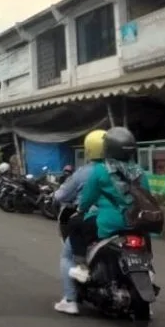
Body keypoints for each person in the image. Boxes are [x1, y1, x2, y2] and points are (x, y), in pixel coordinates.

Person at [67, 126, 149, 284]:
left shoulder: (100, 170)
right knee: (143, 238)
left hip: (110, 222)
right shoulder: (139, 171)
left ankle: (82, 268)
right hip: (138, 221)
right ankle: (148, 269)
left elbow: (88, 198)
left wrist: (80, 210)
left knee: (74, 223)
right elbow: (147, 196)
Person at [51, 129, 106, 316]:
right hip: (121, 221)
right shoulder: (121, 171)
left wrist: (56, 195)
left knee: (67, 255)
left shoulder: (84, 173)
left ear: (89, 150)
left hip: (91, 221)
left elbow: (63, 195)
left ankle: (70, 300)